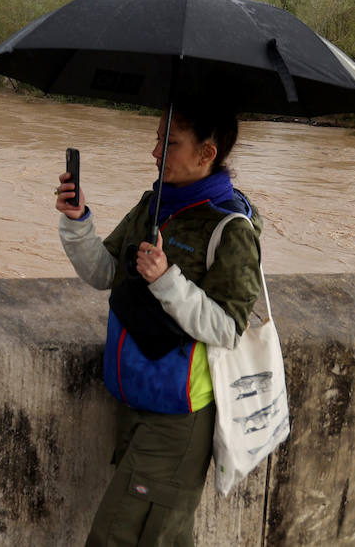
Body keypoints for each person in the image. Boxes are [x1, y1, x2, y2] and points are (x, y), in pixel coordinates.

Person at [54, 99, 263, 547]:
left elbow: (228, 327)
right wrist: (77, 222)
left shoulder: (230, 229)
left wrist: (167, 280)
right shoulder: (154, 205)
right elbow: (104, 273)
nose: (154, 152)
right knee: (160, 536)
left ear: (206, 154)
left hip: (179, 416)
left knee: (114, 536)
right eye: (156, 138)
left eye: (169, 143)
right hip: (132, 401)